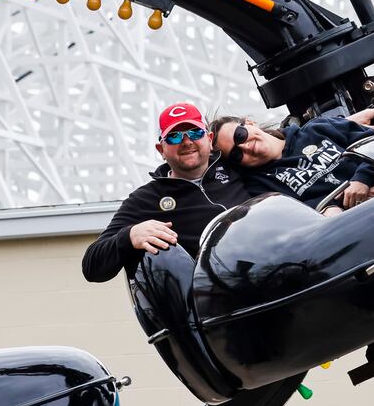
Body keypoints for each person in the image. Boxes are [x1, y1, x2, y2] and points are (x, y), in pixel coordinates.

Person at [81, 103, 250, 283]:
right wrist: (129, 235)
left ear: (209, 139)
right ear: (161, 150)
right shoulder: (144, 199)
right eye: (174, 137)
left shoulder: (242, 168)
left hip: (265, 280)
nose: (186, 142)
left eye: (195, 132)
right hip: (211, 302)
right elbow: (91, 267)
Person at [210, 108, 374, 211]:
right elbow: (299, 213)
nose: (245, 146)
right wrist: (350, 201)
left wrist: (362, 180)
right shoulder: (260, 187)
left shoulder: (318, 128)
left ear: (249, 123)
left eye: (240, 136)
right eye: (236, 154)